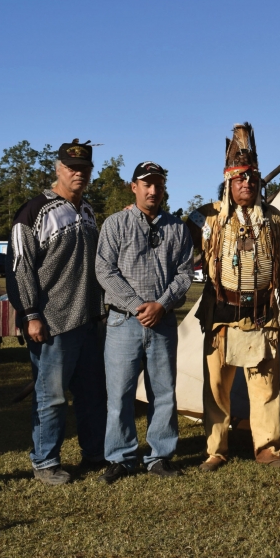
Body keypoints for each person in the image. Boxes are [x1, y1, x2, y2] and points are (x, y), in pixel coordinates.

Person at [185, 124, 280, 471]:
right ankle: (216, 449)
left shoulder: (275, 220)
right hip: (221, 311)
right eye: (240, 178)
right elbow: (174, 242)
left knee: (265, 386)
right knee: (216, 386)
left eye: (252, 178)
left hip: (262, 311)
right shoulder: (207, 217)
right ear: (229, 183)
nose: (247, 183)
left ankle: (268, 448)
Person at [7, 139, 107, 486]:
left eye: (84, 169)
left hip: (91, 319)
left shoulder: (90, 211)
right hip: (53, 322)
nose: (78, 173)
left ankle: (94, 453)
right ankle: (46, 461)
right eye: (71, 167)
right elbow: (20, 267)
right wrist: (30, 313)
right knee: (50, 398)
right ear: (57, 169)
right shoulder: (34, 212)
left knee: (93, 395)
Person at [95, 161, 193, 483]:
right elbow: (105, 271)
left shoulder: (177, 229)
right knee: (119, 393)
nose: (153, 190)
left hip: (162, 323)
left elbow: (184, 274)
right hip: (124, 322)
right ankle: (120, 457)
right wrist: (139, 306)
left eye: (158, 184)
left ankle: (159, 456)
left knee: (163, 392)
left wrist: (161, 305)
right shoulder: (116, 224)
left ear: (164, 188)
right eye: (146, 184)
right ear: (133, 187)